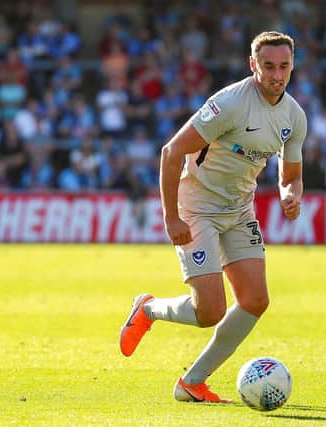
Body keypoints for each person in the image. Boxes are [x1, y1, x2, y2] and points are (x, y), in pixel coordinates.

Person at [119, 31, 307, 402]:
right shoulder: (230, 104)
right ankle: (148, 309)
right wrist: (171, 217)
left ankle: (192, 383)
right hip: (197, 208)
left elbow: (292, 176)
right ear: (253, 65)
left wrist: (290, 195)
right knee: (210, 311)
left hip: (238, 209)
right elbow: (171, 153)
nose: (276, 75)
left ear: (292, 66)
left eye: (283, 66)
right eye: (268, 66)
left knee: (255, 300)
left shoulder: (294, 116)